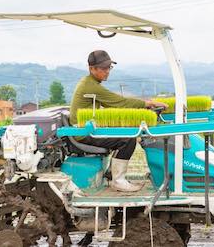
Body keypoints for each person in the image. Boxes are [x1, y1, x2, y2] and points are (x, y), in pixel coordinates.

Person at [69, 50, 168, 192]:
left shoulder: (91, 83)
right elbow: (119, 103)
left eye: (109, 67)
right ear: (92, 68)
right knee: (127, 140)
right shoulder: (90, 86)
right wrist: (148, 103)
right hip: (83, 133)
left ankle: (111, 173)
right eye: (103, 68)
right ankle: (118, 181)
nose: (107, 71)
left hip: (87, 129)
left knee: (125, 135)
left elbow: (113, 104)